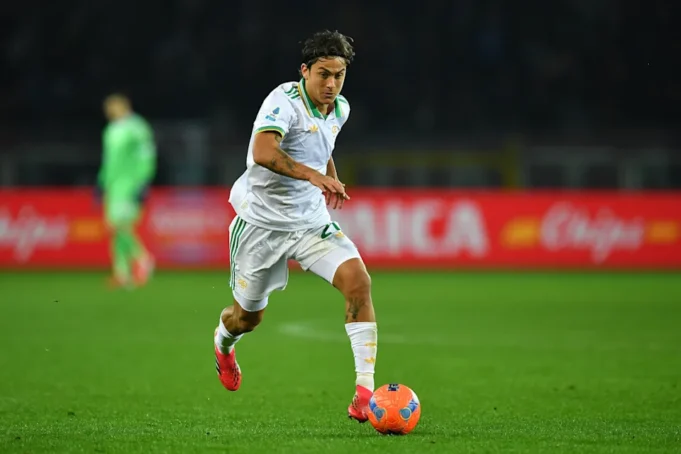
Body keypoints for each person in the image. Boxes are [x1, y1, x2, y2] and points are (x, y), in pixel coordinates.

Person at [213, 30, 378, 422]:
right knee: (247, 319)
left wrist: (328, 174)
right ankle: (223, 343)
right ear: (305, 71)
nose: (331, 84)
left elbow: (322, 146)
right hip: (261, 224)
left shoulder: (339, 109)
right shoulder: (283, 101)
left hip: (310, 222)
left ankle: (365, 394)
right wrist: (313, 176)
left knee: (358, 282)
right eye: (323, 74)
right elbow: (263, 151)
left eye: (339, 75)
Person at [96, 93, 156, 289]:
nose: (109, 111)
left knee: (119, 225)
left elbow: (147, 155)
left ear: (123, 106)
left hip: (130, 184)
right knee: (115, 229)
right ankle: (121, 273)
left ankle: (143, 258)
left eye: (112, 106)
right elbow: (108, 159)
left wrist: (143, 181)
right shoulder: (110, 130)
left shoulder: (137, 127)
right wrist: (101, 182)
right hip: (112, 186)